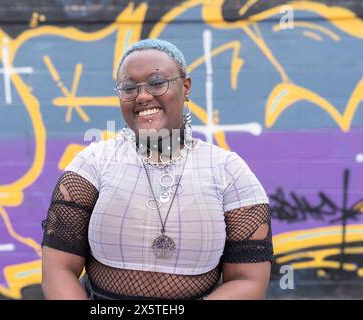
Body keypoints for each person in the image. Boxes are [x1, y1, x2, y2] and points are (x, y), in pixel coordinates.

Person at [41, 39, 273, 300]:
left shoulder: (228, 171)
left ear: (185, 87)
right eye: (128, 87)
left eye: (156, 83)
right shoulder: (92, 165)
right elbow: (58, 270)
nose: (142, 96)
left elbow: (248, 280)